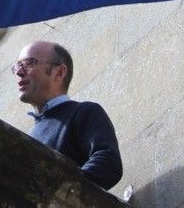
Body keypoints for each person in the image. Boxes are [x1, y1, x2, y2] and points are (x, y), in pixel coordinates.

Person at [13, 40, 122, 190]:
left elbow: (108, 163)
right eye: (17, 66)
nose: (19, 72)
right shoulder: (29, 136)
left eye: (29, 63)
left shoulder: (84, 113)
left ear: (60, 72)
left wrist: (59, 193)